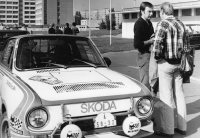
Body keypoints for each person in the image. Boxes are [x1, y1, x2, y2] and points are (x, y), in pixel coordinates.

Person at [153, 2, 187, 137]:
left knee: (166, 97)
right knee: (179, 95)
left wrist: (158, 59)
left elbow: (156, 46)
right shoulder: (181, 24)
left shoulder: (163, 24)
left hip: (166, 64)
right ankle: (182, 127)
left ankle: (168, 130)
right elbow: (187, 45)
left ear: (162, 11)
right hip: (179, 64)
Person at [133, 2, 154, 90]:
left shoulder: (149, 23)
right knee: (145, 84)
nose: (151, 14)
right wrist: (150, 41)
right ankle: (144, 102)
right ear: (142, 11)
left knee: (152, 82)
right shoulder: (139, 23)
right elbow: (137, 44)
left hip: (151, 55)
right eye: (149, 11)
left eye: (152, 12)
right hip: (144, 56)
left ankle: (151, 102)